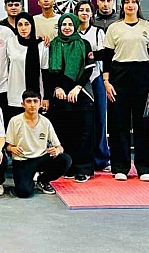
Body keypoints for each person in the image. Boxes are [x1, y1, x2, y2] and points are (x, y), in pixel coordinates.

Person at [102, 0, 149, 182]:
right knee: (119, 124)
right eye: (126, 1)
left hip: (143, 77)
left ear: (138, 4)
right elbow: (107, 58)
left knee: (143, 124)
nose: (130, 5)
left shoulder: (148, 27)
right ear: (122, 5)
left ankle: (145, 167)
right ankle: (120, 167)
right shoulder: (114, 28)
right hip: (119, 77)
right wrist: (106, 81)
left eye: (133, 1)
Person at [46, 13, 96, 182]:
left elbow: (88, 69)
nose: (67, 27)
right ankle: (68, 167)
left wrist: (77, 88)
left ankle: (83, 169)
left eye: (70, 24)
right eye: (63, 24)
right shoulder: (53, 44)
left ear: (75, 26)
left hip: (81, 92)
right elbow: (49, 71)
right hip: (60, 94)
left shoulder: (84, 44)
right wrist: (58, 87)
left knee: (83, 133)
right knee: (64, 131)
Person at [6, 90, 71, 198]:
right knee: (24, 192)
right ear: (23, 104)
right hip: (22, 160)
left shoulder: (46, 122)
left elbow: (59, 147)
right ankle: (27, 181)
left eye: (35, 101)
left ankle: (43, 180)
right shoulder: (14, 121)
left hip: (41, 158)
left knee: (65, 159)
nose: (32, 105)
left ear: (40, 104)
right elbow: (7, 146)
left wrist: (57, 150)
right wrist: (12, 148)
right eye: (28, 101)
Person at [74, 0, 110, 172]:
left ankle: (102, 158)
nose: (84, 13)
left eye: (87, 10)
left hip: (96, 77)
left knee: (101, 119)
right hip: (77, 79)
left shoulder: (98, 32)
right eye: (81, 10)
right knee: (81, 121)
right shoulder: (72, 32)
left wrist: (86, 56)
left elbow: (104, 54)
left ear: (91, 13)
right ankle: (83, 158)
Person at [5, 12, 49, 123]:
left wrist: (46, 97)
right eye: (20, 25)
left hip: (36, 97)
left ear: (32, 25)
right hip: (15, 94)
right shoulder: (10, 42)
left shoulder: (41, 44)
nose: (23, 28)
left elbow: (45, 72)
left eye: (27, 24)